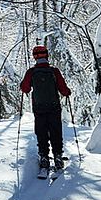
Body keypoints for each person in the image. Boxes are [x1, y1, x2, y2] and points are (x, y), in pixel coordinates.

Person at [20, 45, 71, 173]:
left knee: (41, 132)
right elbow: (63, 90)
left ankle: (44, 157)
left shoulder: (31, 72)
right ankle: (58, 156)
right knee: (56, 132)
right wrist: (67, 92)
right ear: (47, 56)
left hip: (39, 109)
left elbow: (25, 88)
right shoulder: (54, 71)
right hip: (54, 107)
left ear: (34, 57)